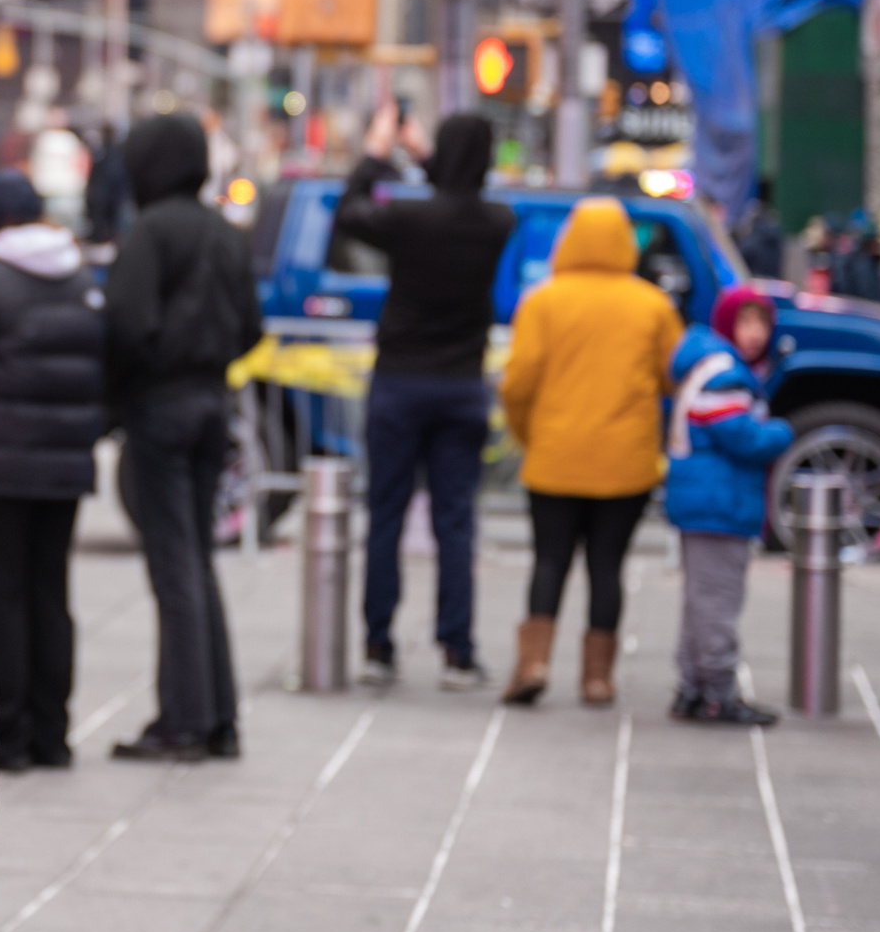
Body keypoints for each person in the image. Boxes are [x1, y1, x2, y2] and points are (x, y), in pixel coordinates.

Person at [336, 104, 515, 688]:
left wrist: (375, 151)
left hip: (399, 383)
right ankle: (457, 650)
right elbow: (458, 190)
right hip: (461, 387)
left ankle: (378, 645)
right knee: (454, 523)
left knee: (385, 514)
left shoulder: (408, 219)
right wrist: (427, 156)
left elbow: (351, 212)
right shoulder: (497, 222)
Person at [104, 111, 261, 762]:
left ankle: (184, 721)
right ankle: (218, 717)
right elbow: (252, 326)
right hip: (212, 404)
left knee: (174, 566)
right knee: (198, 558)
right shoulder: (224, 232)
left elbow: (124, 322)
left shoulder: (150, 231)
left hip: (161, 410)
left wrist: (126, 388)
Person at [497, 198, 681, 707]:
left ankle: (533, 662)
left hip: (554, 455)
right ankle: (597, 678)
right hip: (626, 463)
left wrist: (528, 434)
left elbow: (518, 385)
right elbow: (673, 375)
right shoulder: (652, 306)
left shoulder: (542, 301)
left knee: (549, 561)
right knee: (607, 565)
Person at [0, 168, 105, 773]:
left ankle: (10, 735)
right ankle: (55, 733)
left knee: (2, 595)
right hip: (66, 463)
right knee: (53, 594)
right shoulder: (78, 278)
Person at [661, 286, 792, 727]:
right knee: (717, 600)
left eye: (763, 324)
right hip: (719, 504)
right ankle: (718, 692)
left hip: (707, 501)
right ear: (726, 323)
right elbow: (742, 437)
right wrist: (780, 432)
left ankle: (693, 688)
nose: (755, 334)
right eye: (746, 322)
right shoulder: (726, 375)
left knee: (700, 600)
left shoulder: (707, 364)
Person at [734, 181, 785, 281]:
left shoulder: (756, 235)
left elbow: (743, 255)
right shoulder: (775, 234)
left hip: (755, 279)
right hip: (773, 280)